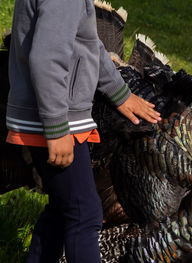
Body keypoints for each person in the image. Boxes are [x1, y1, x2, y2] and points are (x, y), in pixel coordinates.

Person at [5, 0, 161, 262]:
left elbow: (88, 42)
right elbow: (48, 58)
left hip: (50, 113)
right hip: (55, 118)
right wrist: (56, 129)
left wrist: (120, 94)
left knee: (63, 207)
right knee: (84, 213)